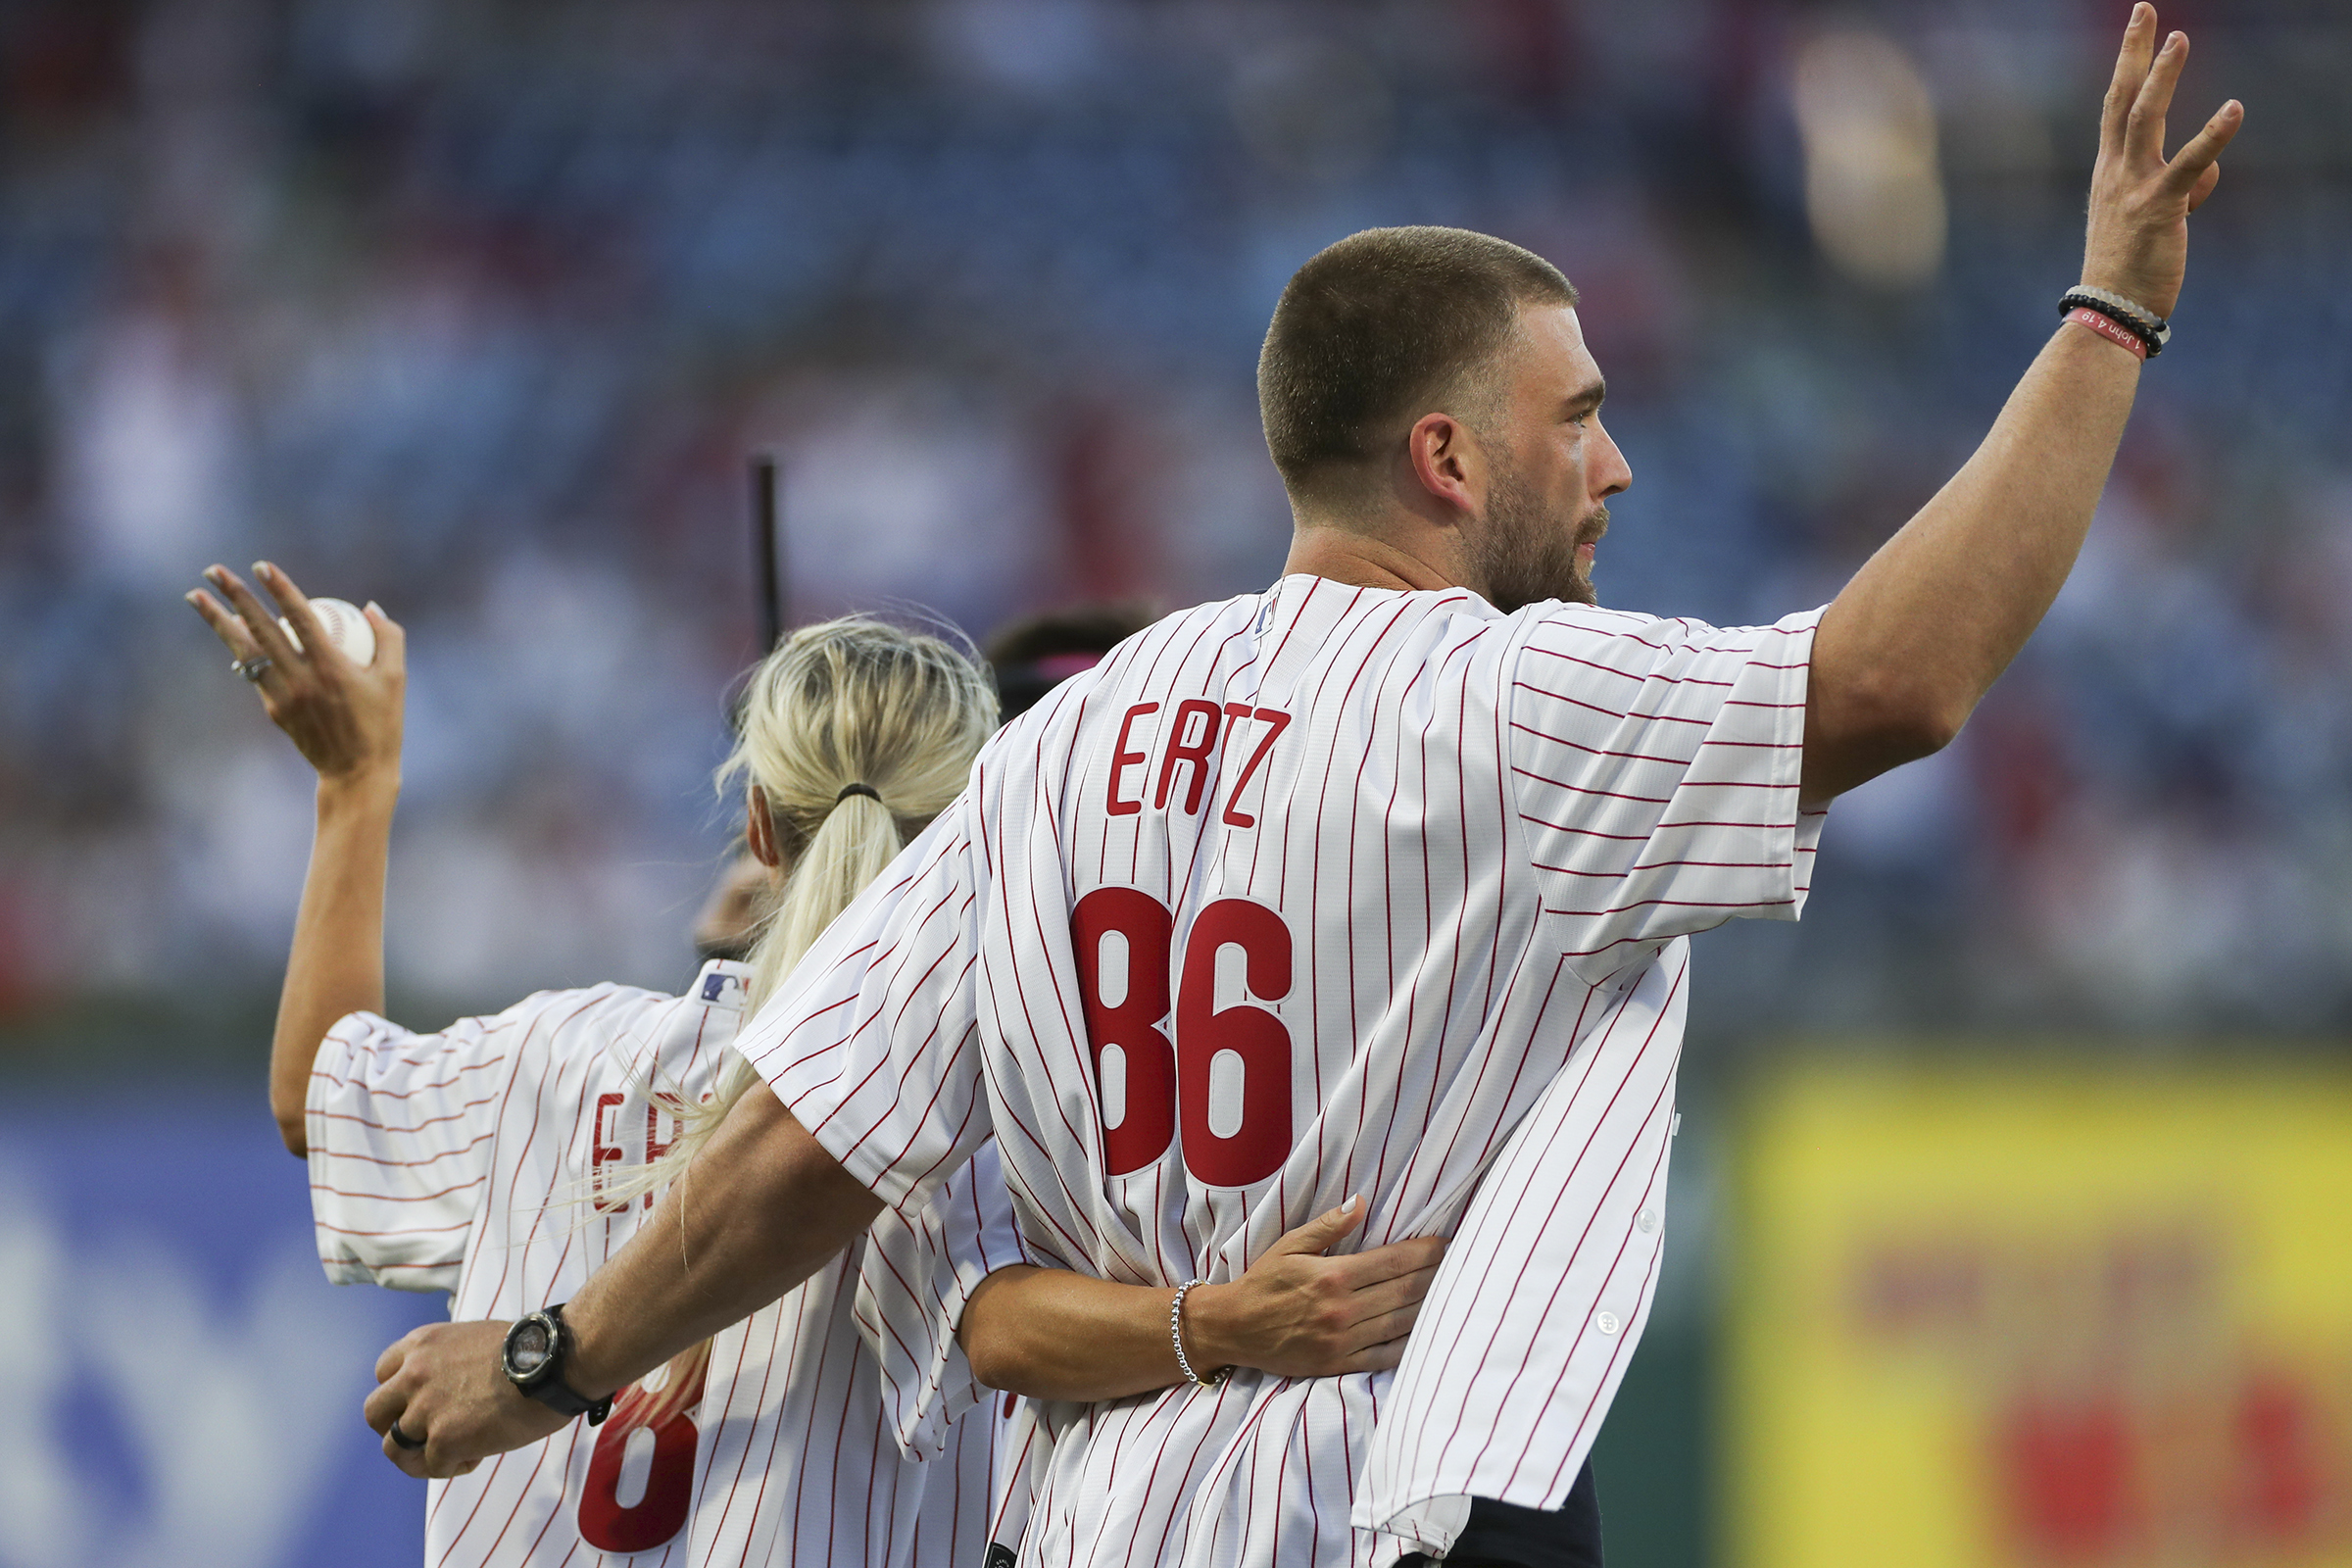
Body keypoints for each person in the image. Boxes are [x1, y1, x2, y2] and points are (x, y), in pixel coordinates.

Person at [359, 13, 2240, 1568]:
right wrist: (2106, 321)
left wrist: (545, 1361)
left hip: (1095, 1521)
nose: (1618, 468)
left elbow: (791, 1159)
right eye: (1574, 418)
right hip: (1384, 1503)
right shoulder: (1515, 702)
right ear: (1443, 454)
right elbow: (1897, 679)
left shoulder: (1070, 740)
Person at [188, 575, 1443, 1567]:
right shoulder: (990, 1100)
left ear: (755, 827)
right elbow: (1000, 1337)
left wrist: (356, 790)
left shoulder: (559, 1049)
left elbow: (320, 1095)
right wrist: (1224, 1323)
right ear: (982, 829)